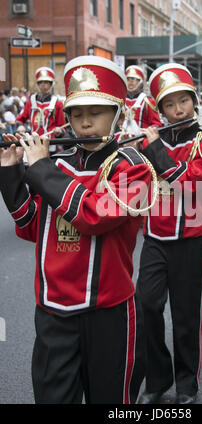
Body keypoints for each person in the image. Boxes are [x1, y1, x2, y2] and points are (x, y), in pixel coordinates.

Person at [0, 55, 154, 404]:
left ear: (117, 114)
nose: (85, 122)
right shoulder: (56, 164)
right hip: (54, 312)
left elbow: (95, 216)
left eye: (95, 112)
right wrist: (10, 172)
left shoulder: (134, 167)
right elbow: (30, 227)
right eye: (76, 113)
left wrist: (39, 170)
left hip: (110, 313)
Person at [135, 63, 202, 404]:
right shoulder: (149, 139)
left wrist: (155, 150)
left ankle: (187, 385)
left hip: (191, 237)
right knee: (146, 305)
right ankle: (157, 380)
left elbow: (189, 183)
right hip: (156, 236)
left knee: (186, 315)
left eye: (183, 102)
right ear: (160, 109)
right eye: (169, 105)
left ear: (193, 101)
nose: (177, 110)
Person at [16, 66, 66, 153]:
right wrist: (20, 126)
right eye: (41, 82)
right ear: (38, 84)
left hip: (50, 144)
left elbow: (61, 125)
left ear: (51, 84)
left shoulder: (58, 103)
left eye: (46, 82)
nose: (43, 84)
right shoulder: (31, 102)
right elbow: (20, 119)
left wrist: (59, 131)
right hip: (33, 142)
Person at [123, 65, 162, 136]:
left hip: (142, 141)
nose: (130, 81)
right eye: (128, 79)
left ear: (141, 83)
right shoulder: (120, 101)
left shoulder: (148, 101)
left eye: (134, 79)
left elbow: (156, 125)